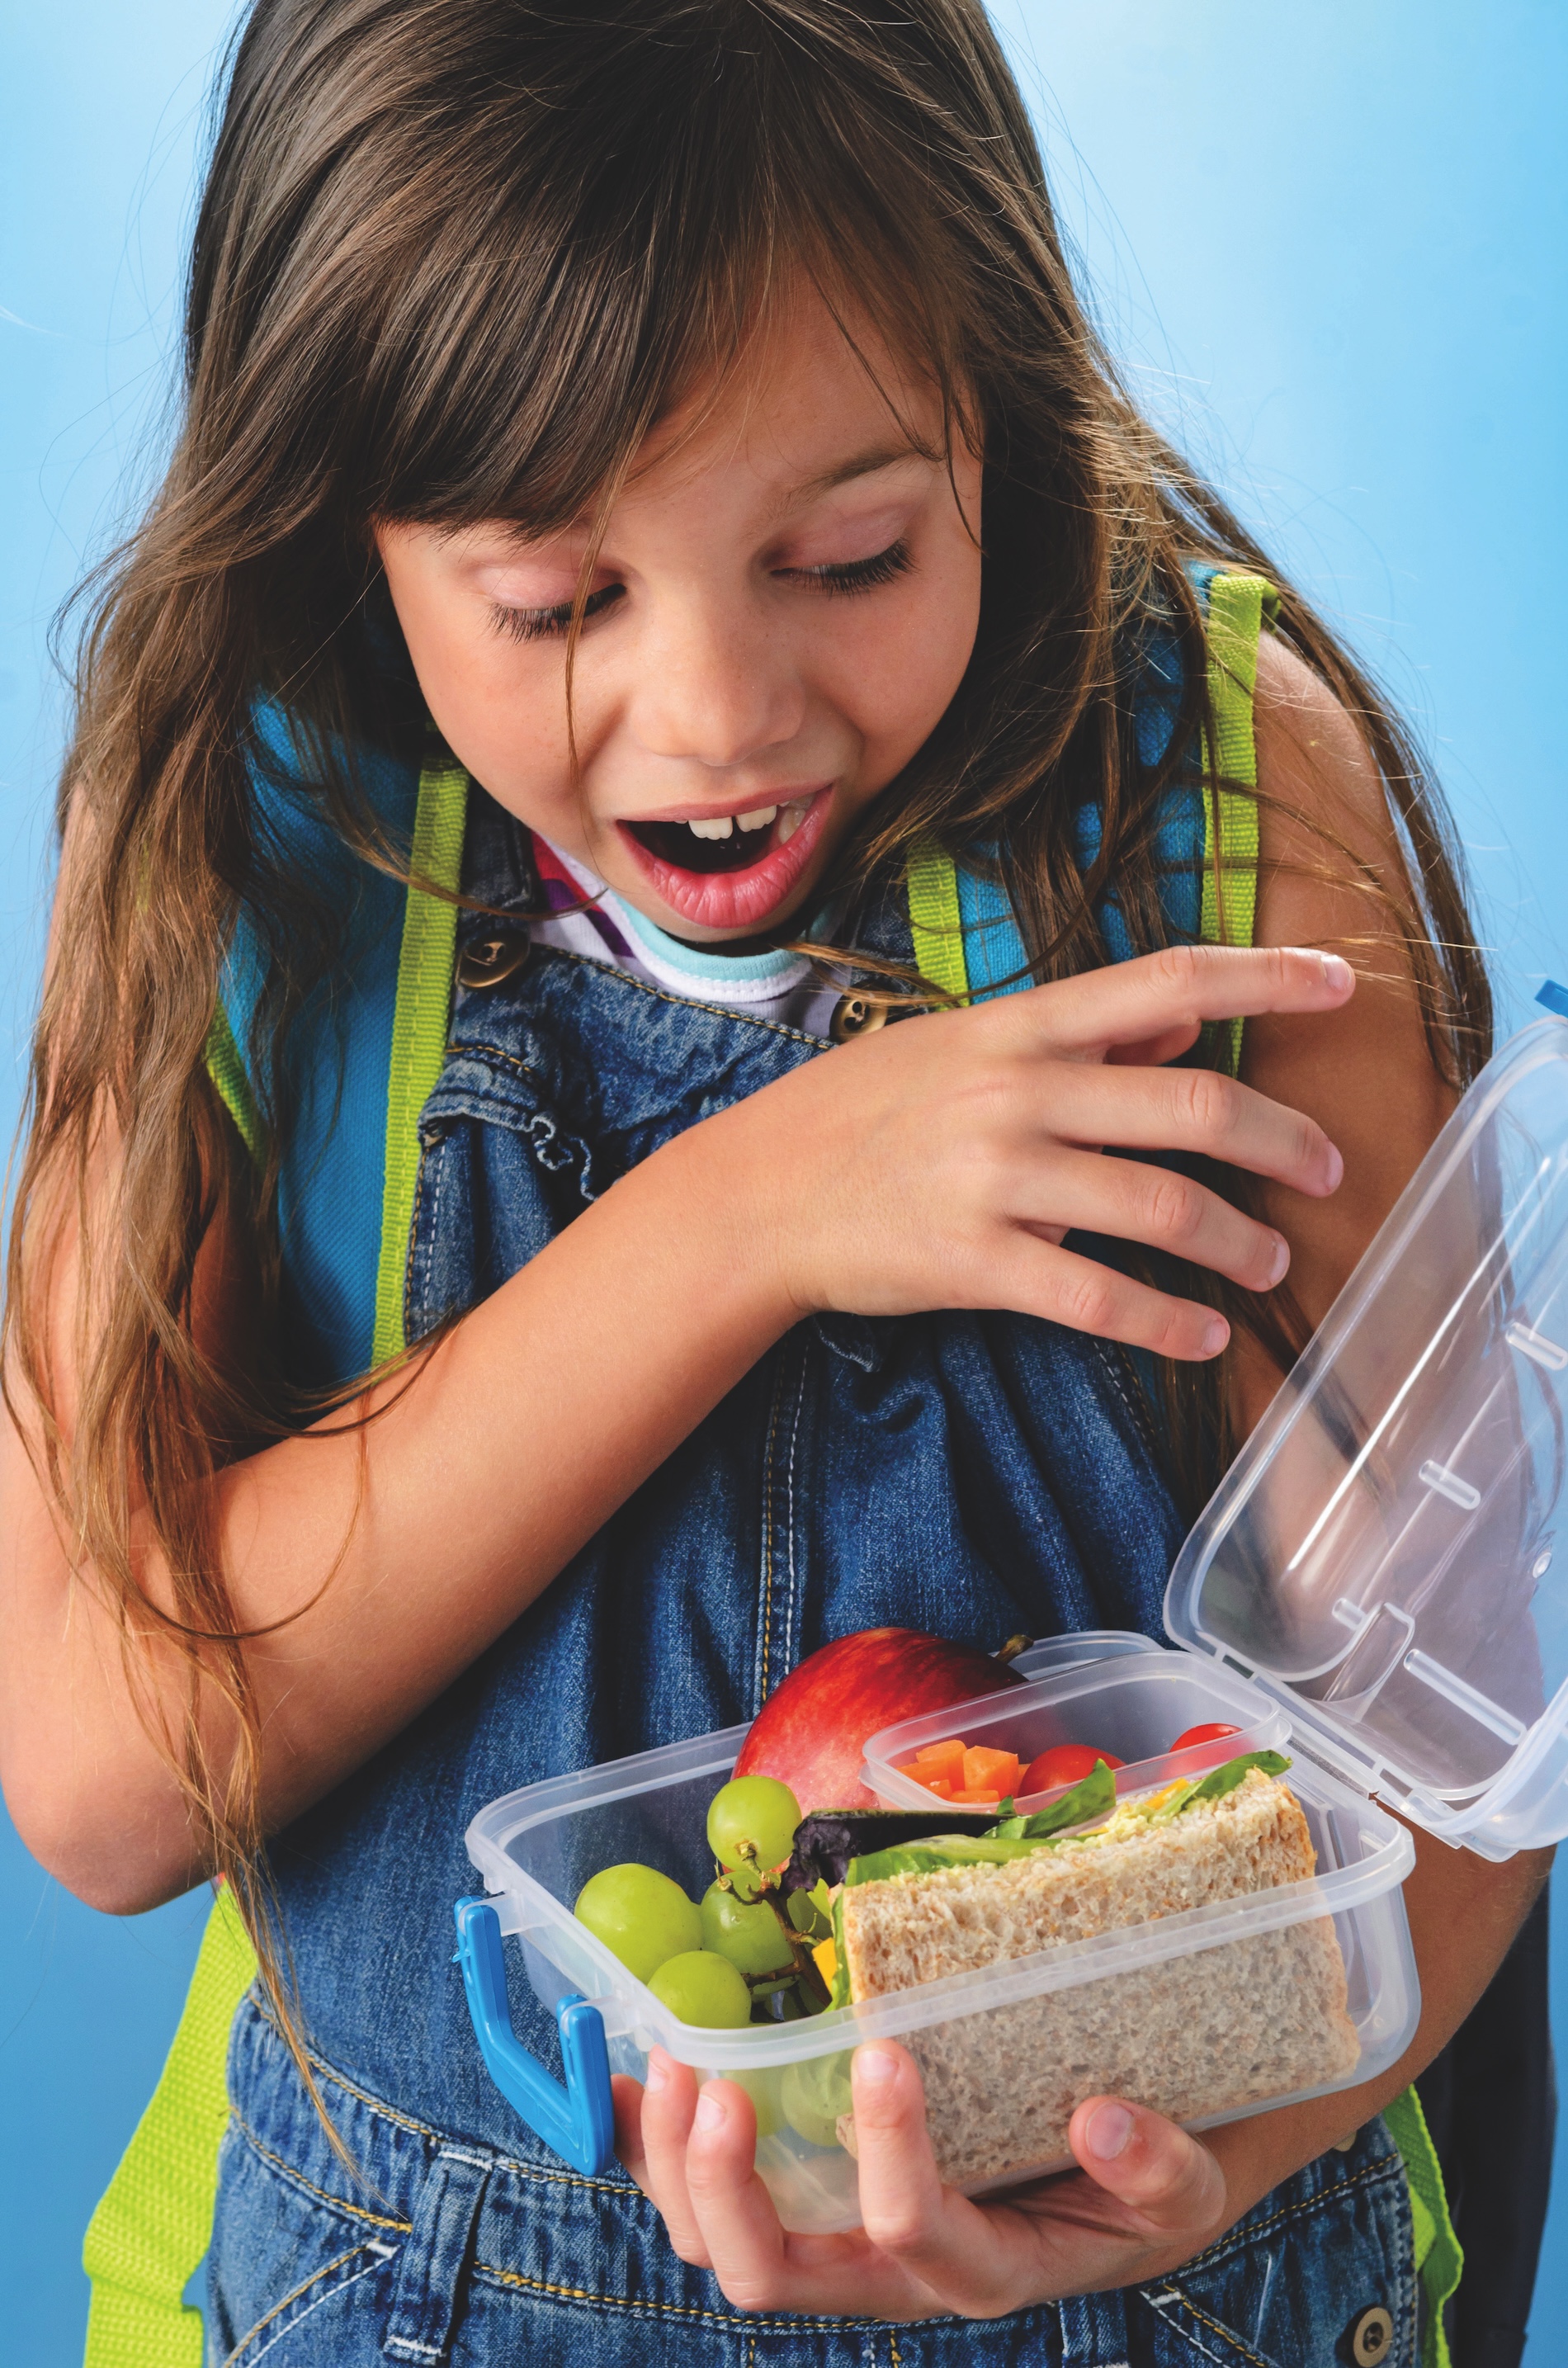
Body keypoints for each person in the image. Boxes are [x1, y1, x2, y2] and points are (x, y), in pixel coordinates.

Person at [0, 2, 1550, 2362]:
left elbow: (1462, 1732)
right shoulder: (244, 838)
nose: (717, 712)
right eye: (554, 599)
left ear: (991, 426)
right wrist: (738, 1220)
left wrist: (1225, 2155)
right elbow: (109, 1770)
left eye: (848, 552)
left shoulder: (1222, 802)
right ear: (344, 511)